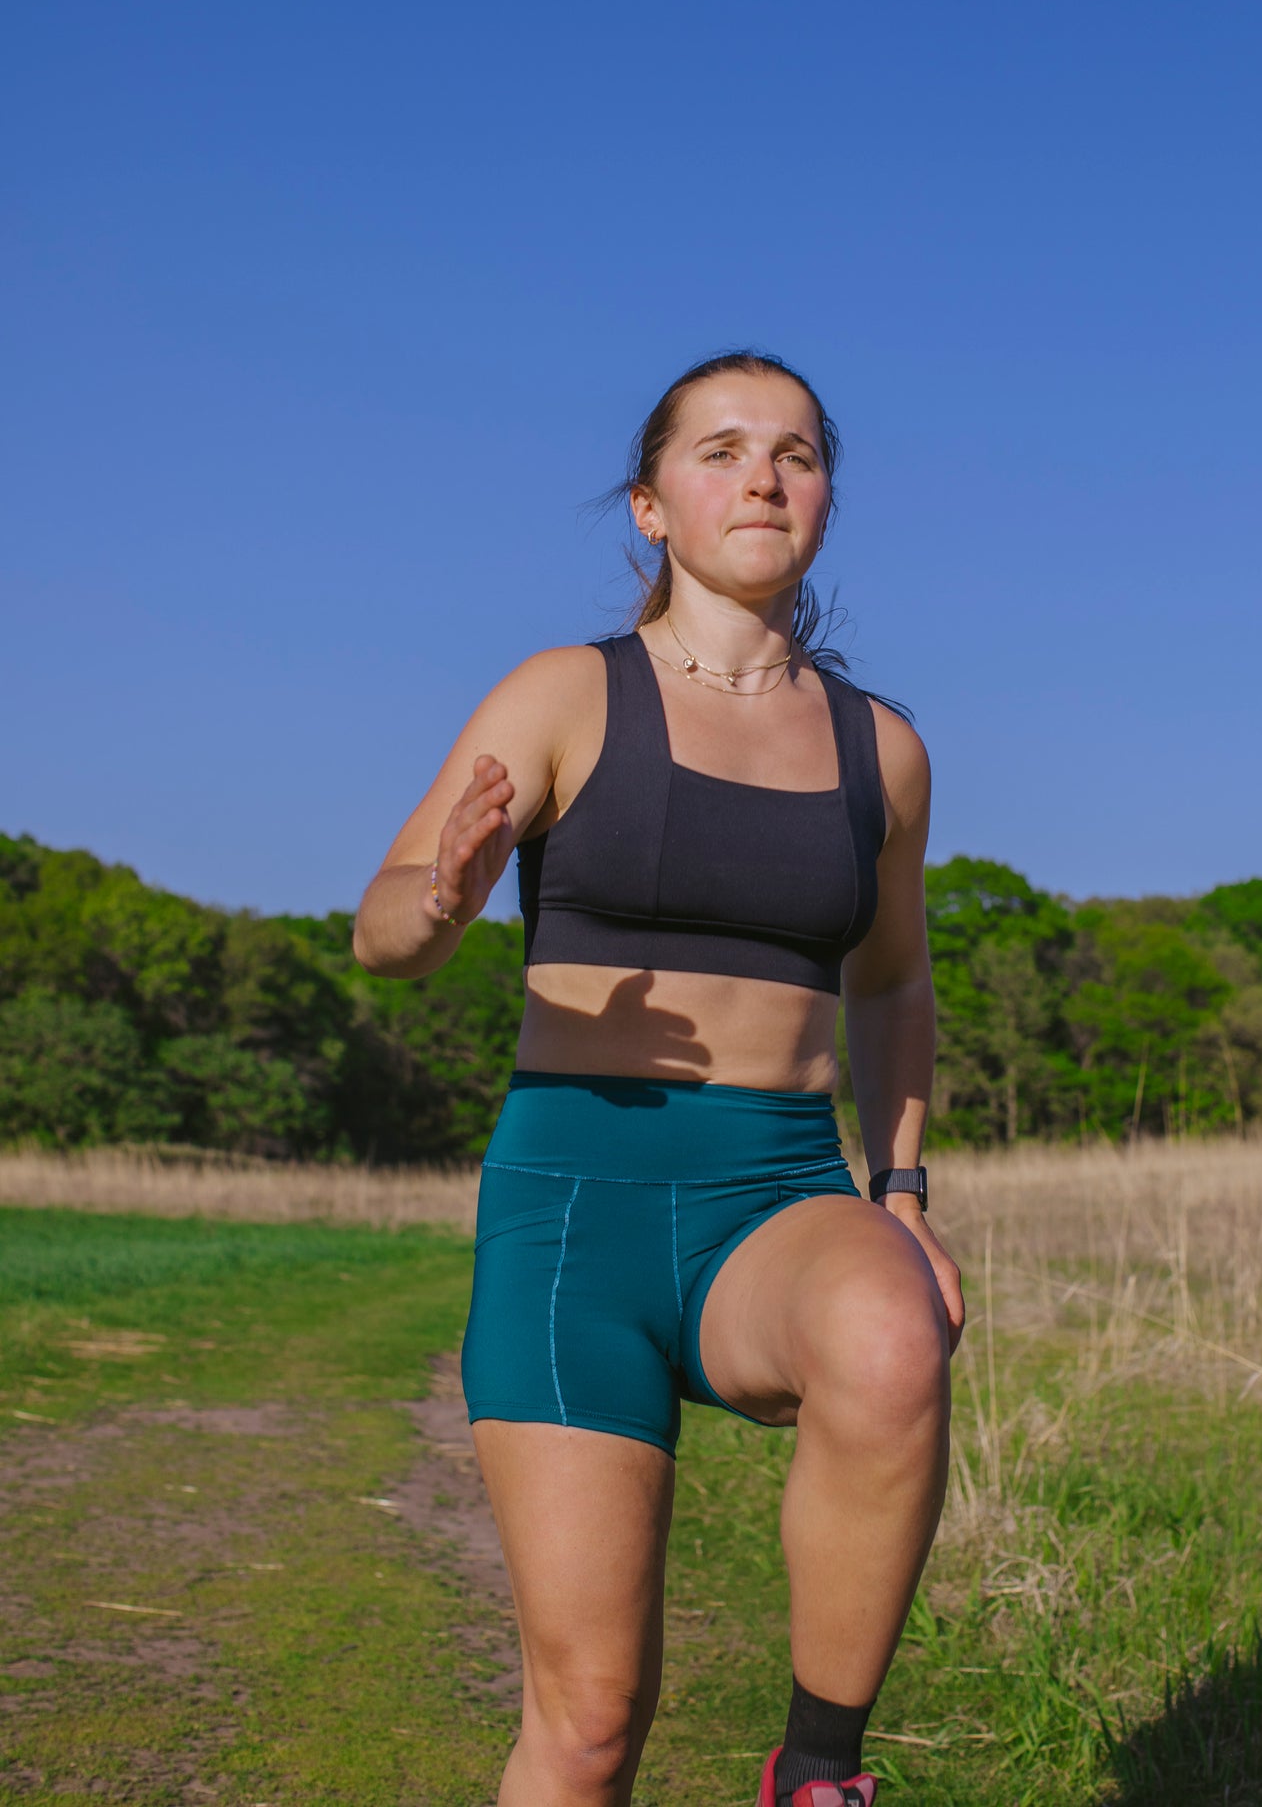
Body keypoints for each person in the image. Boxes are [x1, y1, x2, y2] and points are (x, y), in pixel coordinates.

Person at [353, 351, 965, 1807]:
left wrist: (903, 1189)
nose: (763, 475)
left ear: (825, 497)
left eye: (797, 453)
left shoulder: (881, 751)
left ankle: (816, 1771)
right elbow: (380, 925)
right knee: (590, 1716)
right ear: (649, 505)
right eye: (722, 450)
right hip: (578, 1211)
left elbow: (889, 985)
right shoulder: (567, 694)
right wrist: (437, 902)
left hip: (774, 1193)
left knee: (891, 1328)